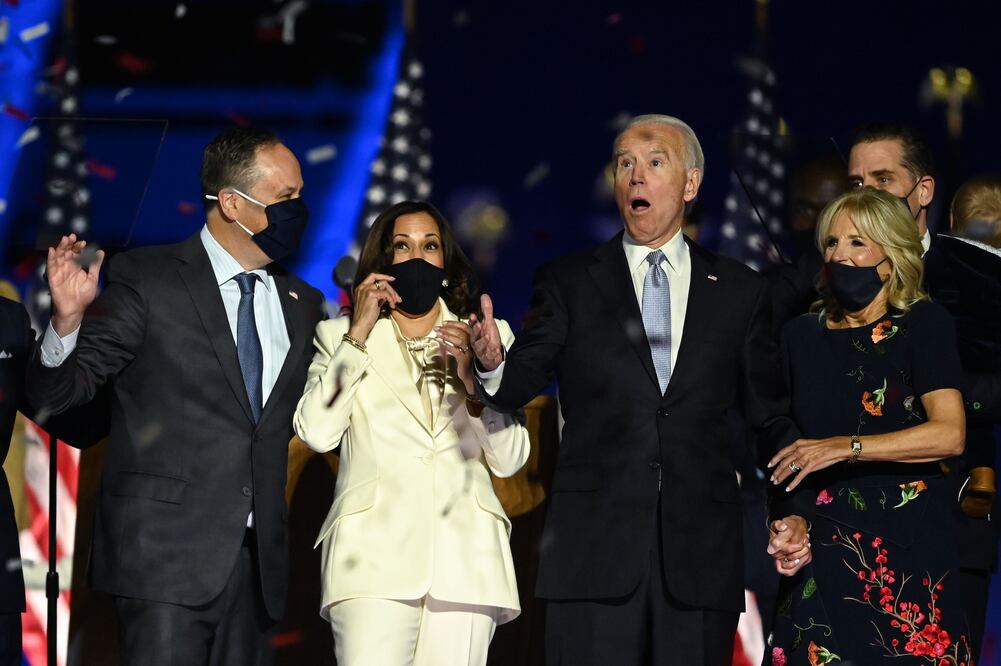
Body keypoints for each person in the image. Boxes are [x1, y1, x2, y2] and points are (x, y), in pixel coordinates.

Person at [469, 114, 804, 665]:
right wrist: (489, 363)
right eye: (625, 164)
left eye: (654, 163)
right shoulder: (569, 280)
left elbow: (770, 417)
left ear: (691, 184)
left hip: (700, 556)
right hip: (593, 552)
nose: (636, 177)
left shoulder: (741, 290)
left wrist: (789, 506)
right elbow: (517, 381)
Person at [25, 127, 325, 666]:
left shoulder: (302, 301)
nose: (298, 209)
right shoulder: (147, 278)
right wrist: (67, 322)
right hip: (163, 560)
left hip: (259, 570)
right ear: (233, 204)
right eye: (286, 197)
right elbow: (60, 399)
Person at [293, 200, 529, 666]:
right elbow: (318, 433)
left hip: (467, 561)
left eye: (430, 245)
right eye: (403, 246)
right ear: (384, 263)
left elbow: (511, 458)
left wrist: (478, 380)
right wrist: (357, 336)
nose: (417, 256)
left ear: (446, 262)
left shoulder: (486, 336)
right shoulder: (337, 335)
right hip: (370, 563)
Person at [767, 188, 971, 664]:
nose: (840, 255)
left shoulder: (924, 324)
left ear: (891, 256)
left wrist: (845, 446)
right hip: (824, 555)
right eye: (832, 243)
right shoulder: (800, 336)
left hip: (907, 558)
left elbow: (950, 434)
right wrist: (790, 522)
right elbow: (789, 450)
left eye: (858, 242)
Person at [848, 125, 999, 660]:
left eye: (883, 179)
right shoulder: (822, 279)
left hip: (953, 523)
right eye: (857, 181)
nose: (865, 194)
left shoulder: (982, 276)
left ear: (924, 191)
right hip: (848, 530)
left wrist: (943, 400)